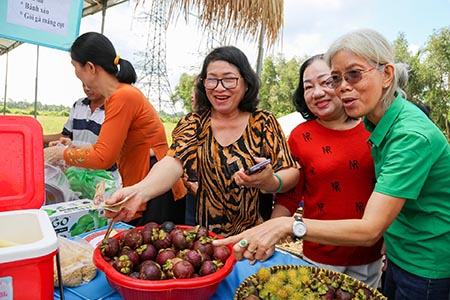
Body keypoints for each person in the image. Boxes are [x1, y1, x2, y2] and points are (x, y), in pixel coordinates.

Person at [215, 29, 450, 299]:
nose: (342, 87)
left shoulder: (409, 136)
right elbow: (291, 189)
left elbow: (370, 228)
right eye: (337, 78)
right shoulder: (376, 124)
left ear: (386, 75)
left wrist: (288, 226)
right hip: (398, 253)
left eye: (354, 74)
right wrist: (272, 193)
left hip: (425, 263)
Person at [105, 46, 300, 236]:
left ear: (246, 83)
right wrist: (138, 192)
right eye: (212, 80)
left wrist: (271, 181)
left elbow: (290, 171)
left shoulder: (263, 122)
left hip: (252, 240)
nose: (219, 88)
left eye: (229, 80)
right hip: (205, 240)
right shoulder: (194, 123)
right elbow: (173, 162)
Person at [44, 32, 186, 225]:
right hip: (143, 181)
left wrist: (61, 153)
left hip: (154, 187)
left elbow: (103, 158)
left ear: (90, 67)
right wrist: (73, 146)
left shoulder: (123, 96)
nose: (75, 73)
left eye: (75, 66)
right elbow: (109, 147)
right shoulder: (118, 96)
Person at [268, 54, 382, 287]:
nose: (317, 93)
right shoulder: (300, 136)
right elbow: (290, 195)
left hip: (370, 257)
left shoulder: (376, 129)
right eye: (308, 87)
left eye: (327, 82)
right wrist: (269, 233)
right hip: (319, 258)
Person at [43, 83, 121, 184]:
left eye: (91, 84)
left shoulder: (115, 109)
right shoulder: (79, 104)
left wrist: (61, 152)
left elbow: (109, 151)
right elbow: (65, 136)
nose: (86, 88)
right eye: (83, 84)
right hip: (76, 175)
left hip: (104, 178)